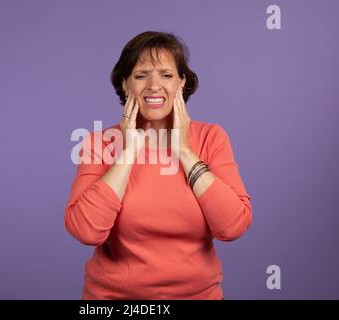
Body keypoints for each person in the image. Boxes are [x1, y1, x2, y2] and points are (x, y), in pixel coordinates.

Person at [64, 31, 252, 300]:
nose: (154, 85)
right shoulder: (99, 143)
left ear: (181, 83)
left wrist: (184, 151)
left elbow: (232, 226)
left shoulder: (211, 137)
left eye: (166, 75)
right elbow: (86, 230)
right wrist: (128, 153)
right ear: (125, 84)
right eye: (141, 76)